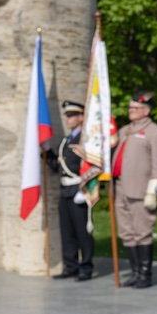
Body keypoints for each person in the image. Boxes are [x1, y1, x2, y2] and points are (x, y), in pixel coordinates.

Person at [111, 91, 157, 289]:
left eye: (135, 108)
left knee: (142, 232)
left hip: (141, 189)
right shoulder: (125, 130)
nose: (130, 111)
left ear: (146, 111)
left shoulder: (155, 132)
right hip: (120, 186)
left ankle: (145, 274)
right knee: (126, 231)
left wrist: (153, 189)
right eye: (130, 108)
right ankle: (135, 272)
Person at [47, 101, 95, 281]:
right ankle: (71, 265)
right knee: (67, 231)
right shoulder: (66, 141)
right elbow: (57, 167)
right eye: (67, 116)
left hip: (79, 189)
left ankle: (86, 266)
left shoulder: (87, 139)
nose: (68, 119)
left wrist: (85, 190)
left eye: (71, 116)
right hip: (65, 188)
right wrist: (46, 152)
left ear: (81, 117)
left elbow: (95, 164)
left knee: (82, 231)